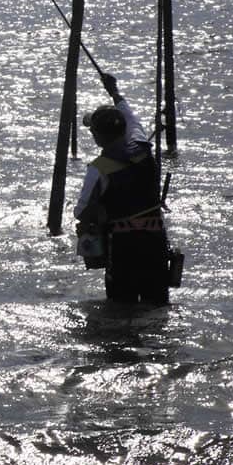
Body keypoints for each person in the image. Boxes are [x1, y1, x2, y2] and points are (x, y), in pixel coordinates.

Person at [74, 74, 170, 305]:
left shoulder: (99, 169)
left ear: (98, 137)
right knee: (157, 305)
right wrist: (114, 91)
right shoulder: (143, 147)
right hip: (155, 239)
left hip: (122, 246)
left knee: (121, 308)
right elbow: (129, 115)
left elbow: (81, 211)